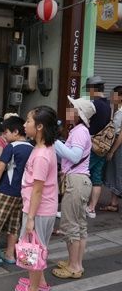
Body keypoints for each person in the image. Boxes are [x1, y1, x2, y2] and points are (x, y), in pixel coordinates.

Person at [14, 106, 58, 291]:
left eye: (28, 121)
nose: (24, 125)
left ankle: (33, 290)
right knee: (39, 247)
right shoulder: (45, 149)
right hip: (42, 208)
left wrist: (30, 217)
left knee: (33, 250)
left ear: (39, 126)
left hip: (38, 210)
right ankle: (41, 282)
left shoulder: (41, 155)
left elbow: (38, 190)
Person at [0, 116, 33, 269]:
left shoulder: (11, 147)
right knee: (13, 225)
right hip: (22, 193)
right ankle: (10, 254)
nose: (4, 135)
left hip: (5, 190)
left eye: (7, 132)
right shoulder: (32, 148)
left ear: (16, 132)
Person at [51, 97, 95, 280]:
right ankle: (76, 263)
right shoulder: (80, 131)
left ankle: (74, 266)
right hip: (81, 181)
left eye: (72, 108)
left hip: (76, 182)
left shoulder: (79, 132)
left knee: (71, 226)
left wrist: (53, 141)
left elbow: (75, 156)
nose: (69, 110)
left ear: (78, 114)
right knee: (80, 226)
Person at [85, 76, 112, 218]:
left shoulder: (93, 104)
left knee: (81, 175)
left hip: (91, 145)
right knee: (96, 178)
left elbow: (86, 122)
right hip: (103, 146)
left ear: (93, 89)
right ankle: (91, 208)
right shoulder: (108, 105)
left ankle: (78, 206)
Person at [103, 85, 122, 212]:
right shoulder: (117, 111)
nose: (111, 97)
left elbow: (120, 135)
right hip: (117, 145)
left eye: (114, 95)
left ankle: (114, 203)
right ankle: (113, 201)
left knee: (117, 171)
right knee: (115, 171)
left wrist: (112, 150)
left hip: (118, 146)